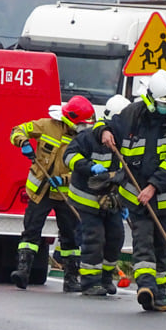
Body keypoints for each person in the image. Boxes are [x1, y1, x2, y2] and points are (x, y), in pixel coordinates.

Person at [97, 70, 166, 311]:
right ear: (150, 99)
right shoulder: (131, 115)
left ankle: (158, 294)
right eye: (162, 104)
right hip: (135, 196)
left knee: (162, 246)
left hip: (164, 198)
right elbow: (106, 125)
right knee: (143, 241)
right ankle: (145, 287)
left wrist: (154, 186)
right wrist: (104, 132)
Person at [9, 95, 96, 291]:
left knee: (71, 238)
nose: (85, 127)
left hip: (67, 195)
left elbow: (84, 168)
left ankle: (71, 279)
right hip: (41, 192)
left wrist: (64, 179)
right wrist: (23, 143)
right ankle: (23, 272)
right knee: (31, 233)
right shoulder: (47, 126)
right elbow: (18, 130)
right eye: (82, 123)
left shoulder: (86, 140)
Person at [64, 94, 131, 296]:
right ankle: (90, 282)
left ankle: (105, 277)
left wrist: (125, 202)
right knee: (94, 238)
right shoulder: (89, 137)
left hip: (111, 201)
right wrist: (90, 167)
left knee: (115, 237)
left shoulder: (128, 141)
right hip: (86, 198)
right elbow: (69, 156)